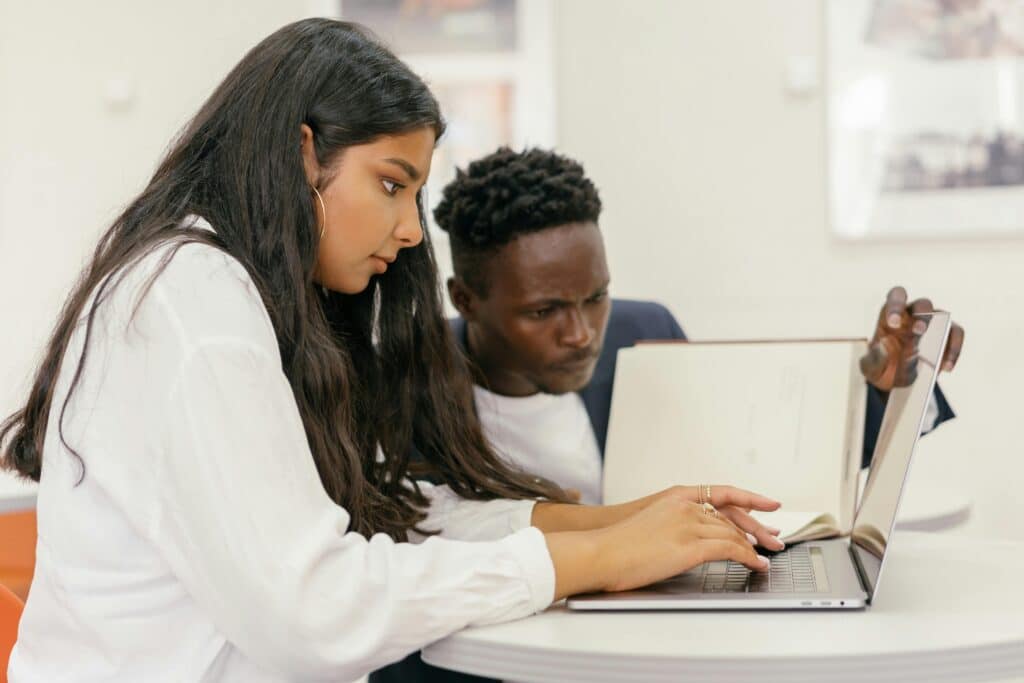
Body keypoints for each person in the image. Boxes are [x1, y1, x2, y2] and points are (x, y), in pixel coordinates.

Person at [0, 20, 783, 682]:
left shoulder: (248, 295)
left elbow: (389, 517)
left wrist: (620, 525)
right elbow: (313, 609)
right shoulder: (191, 298)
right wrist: (596, 559)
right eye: (391, 184)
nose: (412, 229)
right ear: (305, 154)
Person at [371, 146, 965, 683]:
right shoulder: (400, 383)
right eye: (544, 310)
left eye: (596, 297)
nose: (582, 334)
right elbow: (406, 567)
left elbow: (761, 463)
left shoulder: (642, 332)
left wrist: (894, 392)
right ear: (465, 299)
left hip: (639, 654)